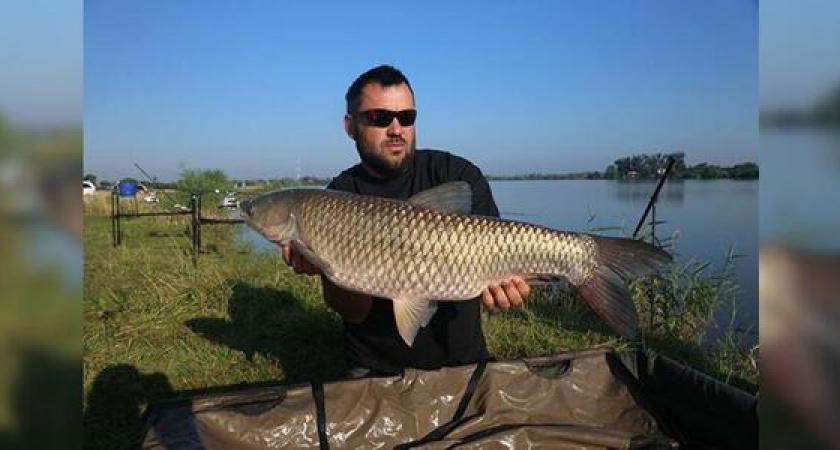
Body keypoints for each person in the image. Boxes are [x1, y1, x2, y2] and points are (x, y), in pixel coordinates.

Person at [281, 65, 531, 377]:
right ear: (350, 126)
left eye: (407, 117)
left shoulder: (457, 174)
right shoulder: (338, 197)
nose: (396, 128)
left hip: (462, 362)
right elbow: (352, 312)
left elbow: (495, 270)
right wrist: (324, 265)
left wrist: (503, 290)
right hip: (374, 367)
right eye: (380, 118)